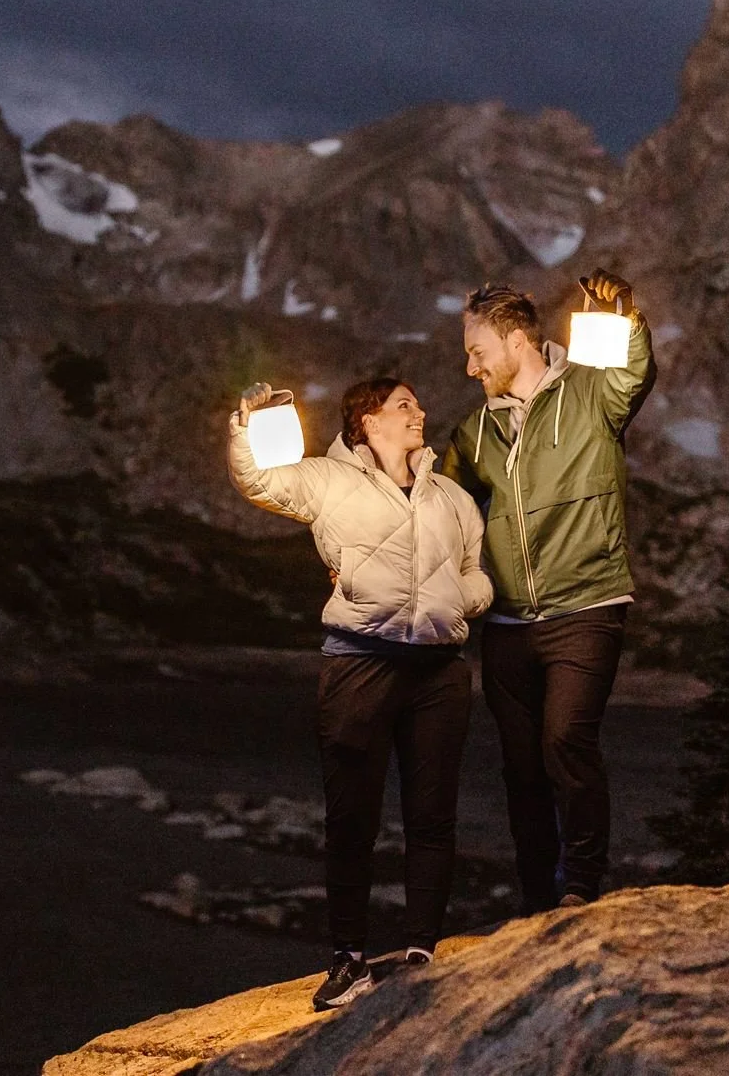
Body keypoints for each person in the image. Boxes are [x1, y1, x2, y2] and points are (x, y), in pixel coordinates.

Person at [227, 376, 492, 1011]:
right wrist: (244, 430)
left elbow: (474, 573)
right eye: (404, 405)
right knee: (352, 819)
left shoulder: (452, 497)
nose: (419, 412)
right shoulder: (327, 480)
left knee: (432, 816)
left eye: (417, 403)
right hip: (359, 665)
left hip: (439, 671)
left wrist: (462, 599)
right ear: (368, 422)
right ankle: (348, 961)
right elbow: (258, 481)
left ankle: (422, 952)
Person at [440, 271, 655, 913]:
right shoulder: (473, 434)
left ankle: (580, 886)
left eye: (477, 351)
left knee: (566, 740)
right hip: (507, 626)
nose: (470, 367)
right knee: (522, 766)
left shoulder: (591, 393)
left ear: (516, 341)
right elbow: (434, 512)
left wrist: (625, 315)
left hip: (586, 607)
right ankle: (538, 899)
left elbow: (633, 373)